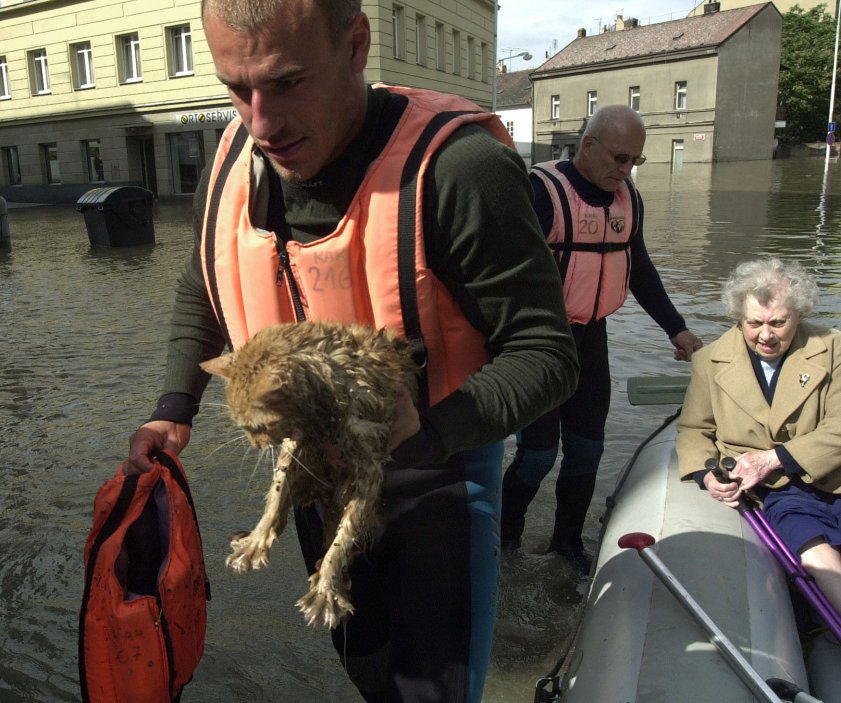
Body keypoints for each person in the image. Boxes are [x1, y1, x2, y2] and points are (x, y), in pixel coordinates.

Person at [126, 1, 579, 701]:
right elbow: (202, 280)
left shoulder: (462, 170)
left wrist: (429, 431)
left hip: (438, 469)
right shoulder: (231, 161)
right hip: (313, 469)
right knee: (365, 666)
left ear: (357, 45)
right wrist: (174, 405)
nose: (260, 122)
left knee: (434, 689)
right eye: (235, 89)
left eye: (286, 82)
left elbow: (548, 352)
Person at [500, 104, 702, 568]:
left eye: (634, 161)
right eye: (618, 158)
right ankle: (505, 544)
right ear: (587, 145)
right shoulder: (540, 191)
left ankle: (567, 545)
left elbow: (640, 270)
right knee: (537, 456)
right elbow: (499, 275)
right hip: (540, 344)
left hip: (592, 339)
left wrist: (678, 329)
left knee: (588, 450)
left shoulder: (628, 199)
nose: (625, 169)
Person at [677, 257, 841, 615]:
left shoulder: (833, 348)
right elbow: (694, 430)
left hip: (833, 474)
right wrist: (707, 476)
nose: (766, 335)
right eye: (755, 323)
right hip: (783, 492)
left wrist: (773, 458)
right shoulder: (709, 361)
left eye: (778, 323)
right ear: (739, 318)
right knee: (817, 553)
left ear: (798, 315)